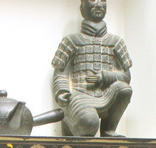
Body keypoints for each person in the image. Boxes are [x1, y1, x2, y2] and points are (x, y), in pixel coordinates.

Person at [52, 0, 132, 137]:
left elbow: (126, 76)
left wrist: (104, 77)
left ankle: (108, 129)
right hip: (81, 96)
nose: (98, 4)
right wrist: (62, 91)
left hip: (107, 94)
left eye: (102, 0)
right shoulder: (71, 41)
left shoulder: (116, 42)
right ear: (82, 7)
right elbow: (61, 73)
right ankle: (67, 120)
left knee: (124, 89)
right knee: (89, 124)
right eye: (93, 0)